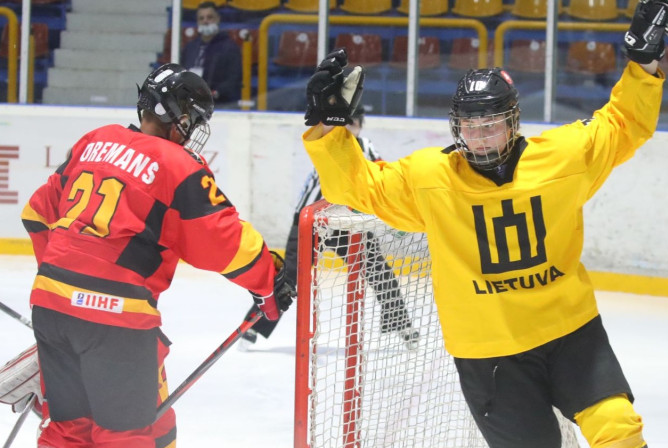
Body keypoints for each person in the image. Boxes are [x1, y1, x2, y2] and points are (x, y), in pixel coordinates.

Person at [299, 1, 668, 446]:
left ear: (513, 121)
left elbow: (624, 123)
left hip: (571, 333)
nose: (480, 136)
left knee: (618, 427)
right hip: (489, 355)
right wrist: (329, 127)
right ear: (456, 127)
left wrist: (643, 59)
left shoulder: (562, 159)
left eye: (491, 123)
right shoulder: (431, 179)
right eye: (470, 125)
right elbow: (357, 188)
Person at [20, 63, 294, 448]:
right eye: (192, 120)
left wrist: (63, 288)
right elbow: (221, 239)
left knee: (68, 431)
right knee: (129, 436)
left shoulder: (93, 141)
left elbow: (36, 214)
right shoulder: (178, 165)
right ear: (178, 118)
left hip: (49, 308)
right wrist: (268, 284)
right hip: (115, 320)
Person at [239, 105, 420, 351]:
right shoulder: (329, 142)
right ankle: (254, 326)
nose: (350, 128)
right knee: (290, 277)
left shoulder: (364, 146)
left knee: (378, 269)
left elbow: (381, 178)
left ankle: (402, 324)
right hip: (310, 222)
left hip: (347, 224)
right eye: (346, 123)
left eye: (354, 123)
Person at [181, 1, 242, 109]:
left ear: (218, 19)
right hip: (190, 104)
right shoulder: (190, 47)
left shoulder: (230, 48)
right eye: (201, 18)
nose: (205, 21)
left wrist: (214, 93)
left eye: (209, 17)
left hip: (218, 104)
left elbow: (234, 80)